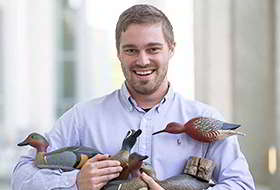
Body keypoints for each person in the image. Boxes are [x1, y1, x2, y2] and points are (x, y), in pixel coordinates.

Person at [11, 4, 255, 190]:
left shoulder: (205, 118)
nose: (142, 60)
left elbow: (242, 184)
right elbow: (21, 176)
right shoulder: (82, 117)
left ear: (171, 49)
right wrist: (76, 182)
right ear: (118, 53)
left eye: (153, 49)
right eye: (131, 50)